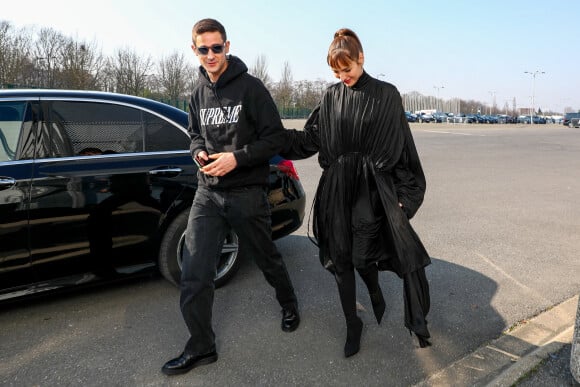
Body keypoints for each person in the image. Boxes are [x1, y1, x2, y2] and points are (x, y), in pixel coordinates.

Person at [161, 18, 300, 376]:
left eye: (216, 47)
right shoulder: (195, 94)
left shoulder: (251, 89)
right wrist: (198, 153)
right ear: (194, 50)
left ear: (227, 46)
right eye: (203, 48)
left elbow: (276, 139)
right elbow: (193, 135)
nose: (210, 54)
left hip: (246, 192)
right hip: (207, 194)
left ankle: (288, 303)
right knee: (193, 273)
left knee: (267, 257)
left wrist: (236, 157)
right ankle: (201, 346)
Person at [282, 28, 432, 357]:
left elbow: (403, 148)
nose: (343, 77)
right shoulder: (330, 97)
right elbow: (309, 140)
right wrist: (272, 136)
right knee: (340, 261)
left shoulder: (386, 95)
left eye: (347, 69)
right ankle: (353, 323)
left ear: (361, 58)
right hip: (336, 189)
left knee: (364, 256)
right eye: (336, 72)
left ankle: (375, 290)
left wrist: (407, 195)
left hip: (371, 192)